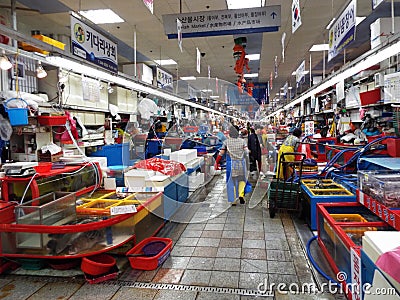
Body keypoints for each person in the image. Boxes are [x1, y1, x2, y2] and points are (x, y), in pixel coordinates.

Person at [215, 125, 249, 205]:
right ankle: (241, 195)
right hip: (241, 163)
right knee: (241, 180)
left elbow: (221, 153)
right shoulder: (242, 141)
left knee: (232, 182)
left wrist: (216, 162)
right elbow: (246, 152)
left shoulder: (226, 142)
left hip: (231, 164)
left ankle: (233, 200)